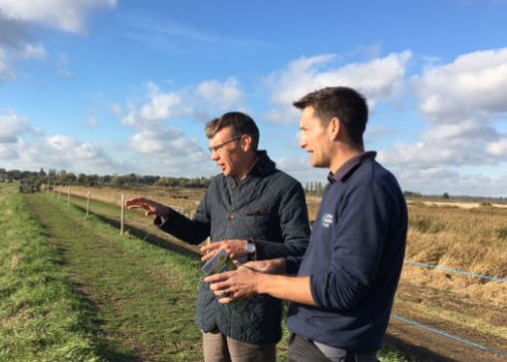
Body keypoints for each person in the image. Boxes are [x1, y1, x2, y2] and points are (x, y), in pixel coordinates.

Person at [205, 87, 408, 362]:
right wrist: (279, 265)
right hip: (314, 341)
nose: (301, 142)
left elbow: (344, 288)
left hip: (334, 348)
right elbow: (321, 260)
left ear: (334, 127)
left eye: (306, 129)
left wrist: (259, 283)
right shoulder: (341, 184)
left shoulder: (367, 188)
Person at [126, 111, 311, 362]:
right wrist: (166, 214)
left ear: (245, 143)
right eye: (211, 149)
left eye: (218, 148)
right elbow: (196, 232)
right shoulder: (217, 185)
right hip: (213, 308)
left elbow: (301, 248)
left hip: (252, 316)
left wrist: (249, 247)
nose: (213, 156)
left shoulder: (285, 188)